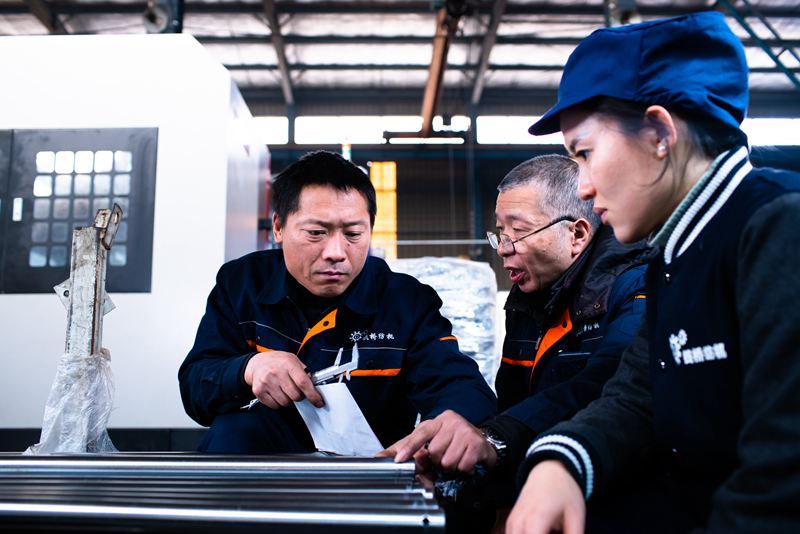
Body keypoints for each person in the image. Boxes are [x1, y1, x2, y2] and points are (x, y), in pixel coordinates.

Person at [506, 11, 800, 534]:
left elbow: (783, 475)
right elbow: (638, 395)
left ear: (660, 133)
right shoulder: (674, 257)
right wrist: (563, 460)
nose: (585, 188)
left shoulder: (777, 227)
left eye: (585, 154)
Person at [380, 155, 650, 526]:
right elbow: (513, 405)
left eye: (517, 232)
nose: (503, 248)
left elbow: (602, 386)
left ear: (577, 234)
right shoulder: (528, 301)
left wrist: (494, 439)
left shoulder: (635, 289)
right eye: (499, 233)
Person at [178, 150, 496, 454]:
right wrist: (248, 369)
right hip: (257, 475)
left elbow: (461, 385)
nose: (336, 253)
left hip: (369, 473)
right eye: (316, 232)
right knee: (233, 432)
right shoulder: (242, 286)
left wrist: (449, 423)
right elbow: (195, 390)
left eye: (353, 234)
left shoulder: (407, 303)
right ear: (278, 227)